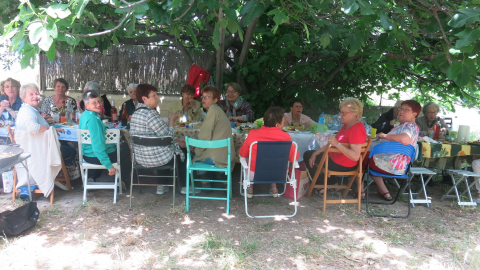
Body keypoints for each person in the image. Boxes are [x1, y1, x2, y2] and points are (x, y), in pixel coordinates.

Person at [15, 83, 78, 198]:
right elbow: (33, 128)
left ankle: (55, 178)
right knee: (70, 151)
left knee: (65, 147)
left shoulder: (29, 109)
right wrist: (50, 129)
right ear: (23, 98)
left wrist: (52, 128)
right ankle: (55, 178)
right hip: (37, 153)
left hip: (32, 149)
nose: (35, 96)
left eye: (37, 94)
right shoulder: (27, 111)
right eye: (31, 94)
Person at [130, 83, 194, 195]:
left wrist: (175, 141)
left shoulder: (135, 114)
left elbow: (160, 137)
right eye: (154, 95)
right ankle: (185, 186)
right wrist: (172, 121)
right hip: (156, 158)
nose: (157, 98)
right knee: (182, 149)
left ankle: (162, 185)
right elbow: (168, 137)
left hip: (141, 158)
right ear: (145, 99)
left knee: (168, 146)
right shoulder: (151, 114)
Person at [303, 98, 367, 195]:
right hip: (335, 159)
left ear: (354, 115)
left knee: (307, 155)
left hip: (343, 164)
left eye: (343, 113)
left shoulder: (357, 129)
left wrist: (337, 144)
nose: (340, 115)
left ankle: (322, 185)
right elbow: (332, 142)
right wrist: (317, 152)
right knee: (311, 154)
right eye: (340, 112)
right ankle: (330, 183)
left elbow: (355, 156)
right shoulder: (346, 125)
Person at [239, 107, 299, 198]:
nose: (284, 125)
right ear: (277, 125)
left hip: (255, 174)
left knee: (251, 159)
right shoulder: (286, 137)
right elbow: (294, 157)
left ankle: (250, 188)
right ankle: (274, 187)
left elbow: (243, 153)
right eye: (283, 123)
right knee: (273, 161)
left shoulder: (253, 134)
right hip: (279, 173)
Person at [368, 100, 421, 200]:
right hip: (399, 167)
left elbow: (406, 139)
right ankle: (384, 192)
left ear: (414, 114)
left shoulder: (409, 126)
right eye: (401, 109)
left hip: (389, 165)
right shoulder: (406, 126)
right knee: (364, 157)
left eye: (406, 110)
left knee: (358, 157)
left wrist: (385, 135)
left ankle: (360, 192)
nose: (401, 111)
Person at [78, 90, 117, 180]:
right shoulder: (93, 120)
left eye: (99, 101)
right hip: (94, 156)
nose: (98, 105)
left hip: (87, 154)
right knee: (124, 151)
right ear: (86, 105)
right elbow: (97, 146)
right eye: (94, 103)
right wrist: (109, 165)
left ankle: (92, 176)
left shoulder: (85, 114)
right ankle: (123, 180)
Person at [193, 86, 235, 167]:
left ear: (215, 100)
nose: (203, 99)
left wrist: (196, 150)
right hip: (225, 156)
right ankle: (213, 176)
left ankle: (204, 179)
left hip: (216, 158)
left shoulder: (212, 110)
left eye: (207, 96)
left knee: (189, 154)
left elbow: (205, 136)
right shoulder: (217, 109)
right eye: (203, 96)